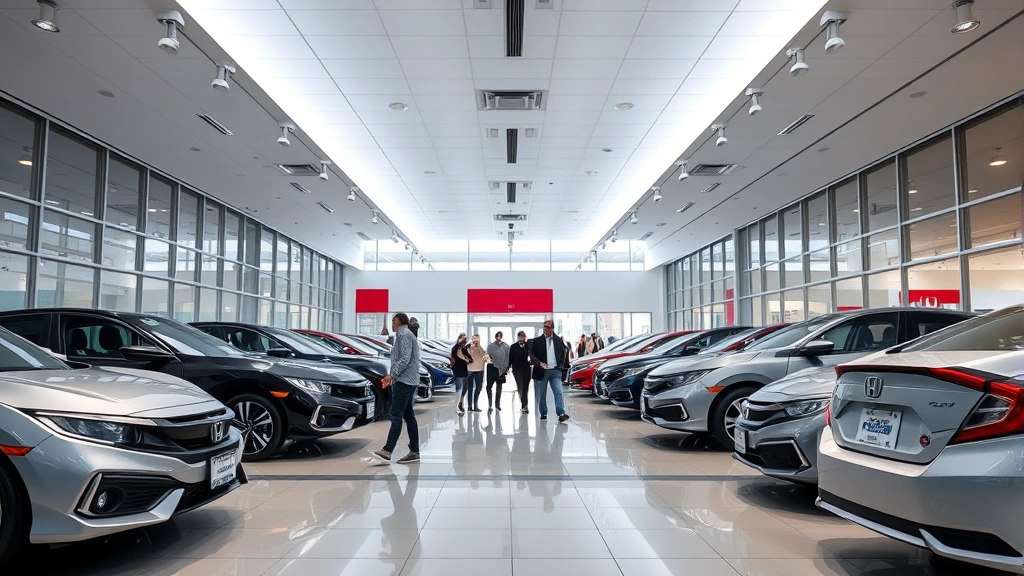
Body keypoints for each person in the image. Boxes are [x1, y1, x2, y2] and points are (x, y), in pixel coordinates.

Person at [370, 313, 421, 464]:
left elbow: (404, 358)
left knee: (395, 415)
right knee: (408, 416)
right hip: (409, 380)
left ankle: (388, 450)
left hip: (404, 381)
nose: (392, 325)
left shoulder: (403, 334)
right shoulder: (406, 334)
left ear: (397, 322)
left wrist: (392, 375)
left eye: (393, 322)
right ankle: (414, 451)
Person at [530, 319, 570, 423]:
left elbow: (564, 352)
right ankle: (543, 413)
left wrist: (562, 365)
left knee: (558, 391)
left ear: (552, 329)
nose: (546, 329)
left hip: (555, 371)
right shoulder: (537, 341)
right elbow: (532, 355)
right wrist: (539, 363)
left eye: (548, 328)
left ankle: (561, 413)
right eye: (545, 327)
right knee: (542, 393)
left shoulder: (558, 340)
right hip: (542, 371)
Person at [485, 331, 510, 412]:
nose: (498, 338)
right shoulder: (490, 346)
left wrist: (506, 369)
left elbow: (507, 358)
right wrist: (489, 360)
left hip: (501, 370)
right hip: (491, 369)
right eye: (497, 337)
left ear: (501, 337)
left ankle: (497, 405)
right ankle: (489, 404)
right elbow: (487, 357)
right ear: (495, 337)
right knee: (489, 387)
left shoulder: (506, 346)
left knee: (499, 388)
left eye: (500, 336)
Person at [509, 331, 532, 414]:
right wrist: (508, 368)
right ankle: (524, 404)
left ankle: (524, 406)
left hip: (526, 368)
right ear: (518, 337)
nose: (522, 338)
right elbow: (510, 358)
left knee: (526, 387)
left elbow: (532, 355)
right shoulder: (513, 347)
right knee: (520, 387)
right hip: (517, 369)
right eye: (520, 336)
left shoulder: (528, 346)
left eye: (523, 336)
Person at [465, 334, 486, 412]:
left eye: (477, 339)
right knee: (470, 388)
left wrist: (479, 346)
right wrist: (470, 344)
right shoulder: (468, 347)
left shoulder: (481, 348)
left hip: (480, 370)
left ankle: (475, 405)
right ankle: (470, 406)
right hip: (470, 370)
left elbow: (484, 355)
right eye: (474, 338)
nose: (475, 340)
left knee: (478, 388)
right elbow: (465, 354)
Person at [450, 333, 470, 415]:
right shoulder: (456, 348)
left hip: (464, 371)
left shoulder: (464, 348)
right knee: (459, 388)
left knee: (464, 388)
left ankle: (460, 404)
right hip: (458, 371)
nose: (464, 341)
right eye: (462, 339)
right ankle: (458, 407)